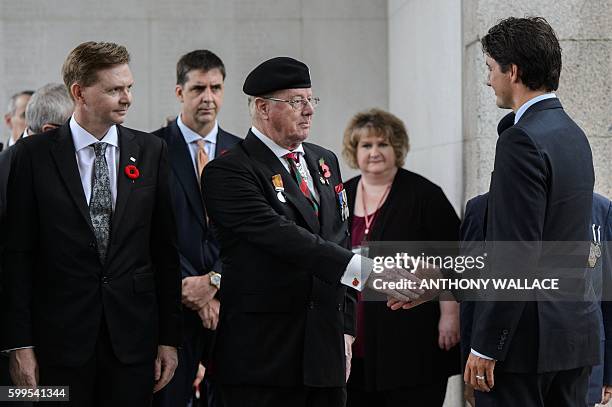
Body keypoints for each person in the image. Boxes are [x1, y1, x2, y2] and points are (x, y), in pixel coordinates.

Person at [201, 57, 423, 407]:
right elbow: (283, 237)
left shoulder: (324, 161)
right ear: (262, 107)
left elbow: (339, 242)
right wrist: (370, 274)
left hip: (325, 353)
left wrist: (347, 330)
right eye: (295, 101)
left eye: (311, 100)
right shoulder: (229, 171)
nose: (308, 110)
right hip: (263, 358)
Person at [0, 41, 182, 407]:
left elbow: (164, 251)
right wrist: (19, 346)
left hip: (132, 344)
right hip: (57, 347)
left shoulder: (151, 152)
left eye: (129, 87)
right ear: (79, 92)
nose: (126, 98)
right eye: (114, 89)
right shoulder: (31, 156)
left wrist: (169, 339)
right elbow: (16, 256)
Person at [464, 17, 599, 406]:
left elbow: (516, 251)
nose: (489, 80)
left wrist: (488, 346)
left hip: (526, 346)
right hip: (573, 338)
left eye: (490, 68)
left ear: (514, 71)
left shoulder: (520, 140)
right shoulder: (573, 133)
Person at [342, 108, 461, 406]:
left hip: (412, 337)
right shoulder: (340, 195)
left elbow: (454, 258)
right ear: (354, 151)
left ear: (396, 148)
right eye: (366, 145)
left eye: (382, 144)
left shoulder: (424, 195)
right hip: (353, 338)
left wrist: (450, 315)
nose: (374, 152)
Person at [461, 192, 612, 407]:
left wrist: (609, 372)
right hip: (506, 362)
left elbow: (606, 292)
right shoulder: (482, 208)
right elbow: (470, 295)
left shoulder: (600, 208)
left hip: (579, 362)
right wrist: (468, 368)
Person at [153, 49, 240, 407]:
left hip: (231, 306)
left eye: (216, 88)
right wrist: (187, 286)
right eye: (198, 88)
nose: (208, 97)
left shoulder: (242, 153)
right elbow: (149, 230)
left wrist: (215, 283)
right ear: (179, 92)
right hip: (173, 307)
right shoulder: (151, 149)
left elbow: (250, 232)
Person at [0, 83, 74, 394]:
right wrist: (19, 345)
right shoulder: (11, 168)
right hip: (19, 346)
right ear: (49, 130)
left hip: (64, 340)